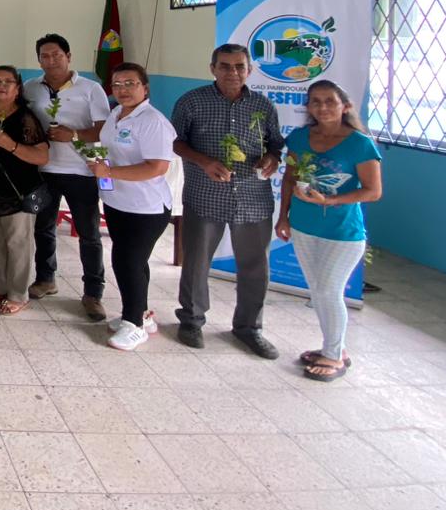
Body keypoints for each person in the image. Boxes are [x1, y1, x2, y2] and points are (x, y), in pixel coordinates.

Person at [172, 44, 284, 358]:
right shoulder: (192, 101)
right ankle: (192, 320)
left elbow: (276, 144)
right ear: (213, 69)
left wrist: (272, 158)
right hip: (205, 196)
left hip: (253, 199)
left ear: (249, 70)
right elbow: (176, 142)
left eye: (239, 66)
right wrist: (204, 161)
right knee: (196, 262)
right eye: (224, 66)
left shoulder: (263, 105)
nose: (232, 72)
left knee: (255, 267)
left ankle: (249, 327)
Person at [275, 81, 382, 382]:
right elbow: (290, 179)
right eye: (315, 101)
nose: (322, 107)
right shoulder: (299, 138)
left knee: (328, 291)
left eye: (330, 101)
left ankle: (334, 356)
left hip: (343, 232)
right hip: (304, 227)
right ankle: (335, 347)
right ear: (308, 107)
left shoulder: (360, 144)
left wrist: (331, 201)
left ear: (345, 106)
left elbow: (373, 191)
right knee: (319, 291)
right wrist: (283, 217)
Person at [85, 64, 177, 351]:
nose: (122, 89)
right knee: (134, 262)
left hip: (145, 208)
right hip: (118, 202)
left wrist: (109, 172)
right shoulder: (116, 114)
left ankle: (133, 325)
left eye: (130, 83)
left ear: (144, 88)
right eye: (117, 84)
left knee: (127, 262)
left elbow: (157, 167)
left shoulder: (152, 121)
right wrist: (99, 163)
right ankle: (141, 315)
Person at [22, 33, 110, 320]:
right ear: (39, 60)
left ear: (68, 57)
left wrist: (73, 134)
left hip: (81, 170)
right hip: (43, 170)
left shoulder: (91, 89)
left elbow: (104, 128)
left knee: (89, 234)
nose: (51, 61)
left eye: (56, 55)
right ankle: (46, 279)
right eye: (44, 56)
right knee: (43, 228)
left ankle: (93, 293)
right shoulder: (30, 87)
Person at [0, 65, 50, 315]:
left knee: (18, 246)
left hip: (17, 194)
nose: (1, 85)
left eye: (7, 81)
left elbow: (42, 156)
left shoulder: (25, 118)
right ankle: (0, 288)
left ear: (17, 89)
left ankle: (18, 294)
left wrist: (10, 145)